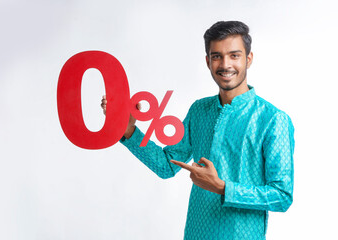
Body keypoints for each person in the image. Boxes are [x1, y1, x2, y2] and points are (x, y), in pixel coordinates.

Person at [101, 20, 294, 240]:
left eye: (234, 55)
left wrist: (223, 188)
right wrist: (129, 131)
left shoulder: (273, 119)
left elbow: (282, 196)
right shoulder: (200, 110)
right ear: (207, 61)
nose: (225, 64)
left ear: (248, 59)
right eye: (217, 56)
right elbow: (167, 166)